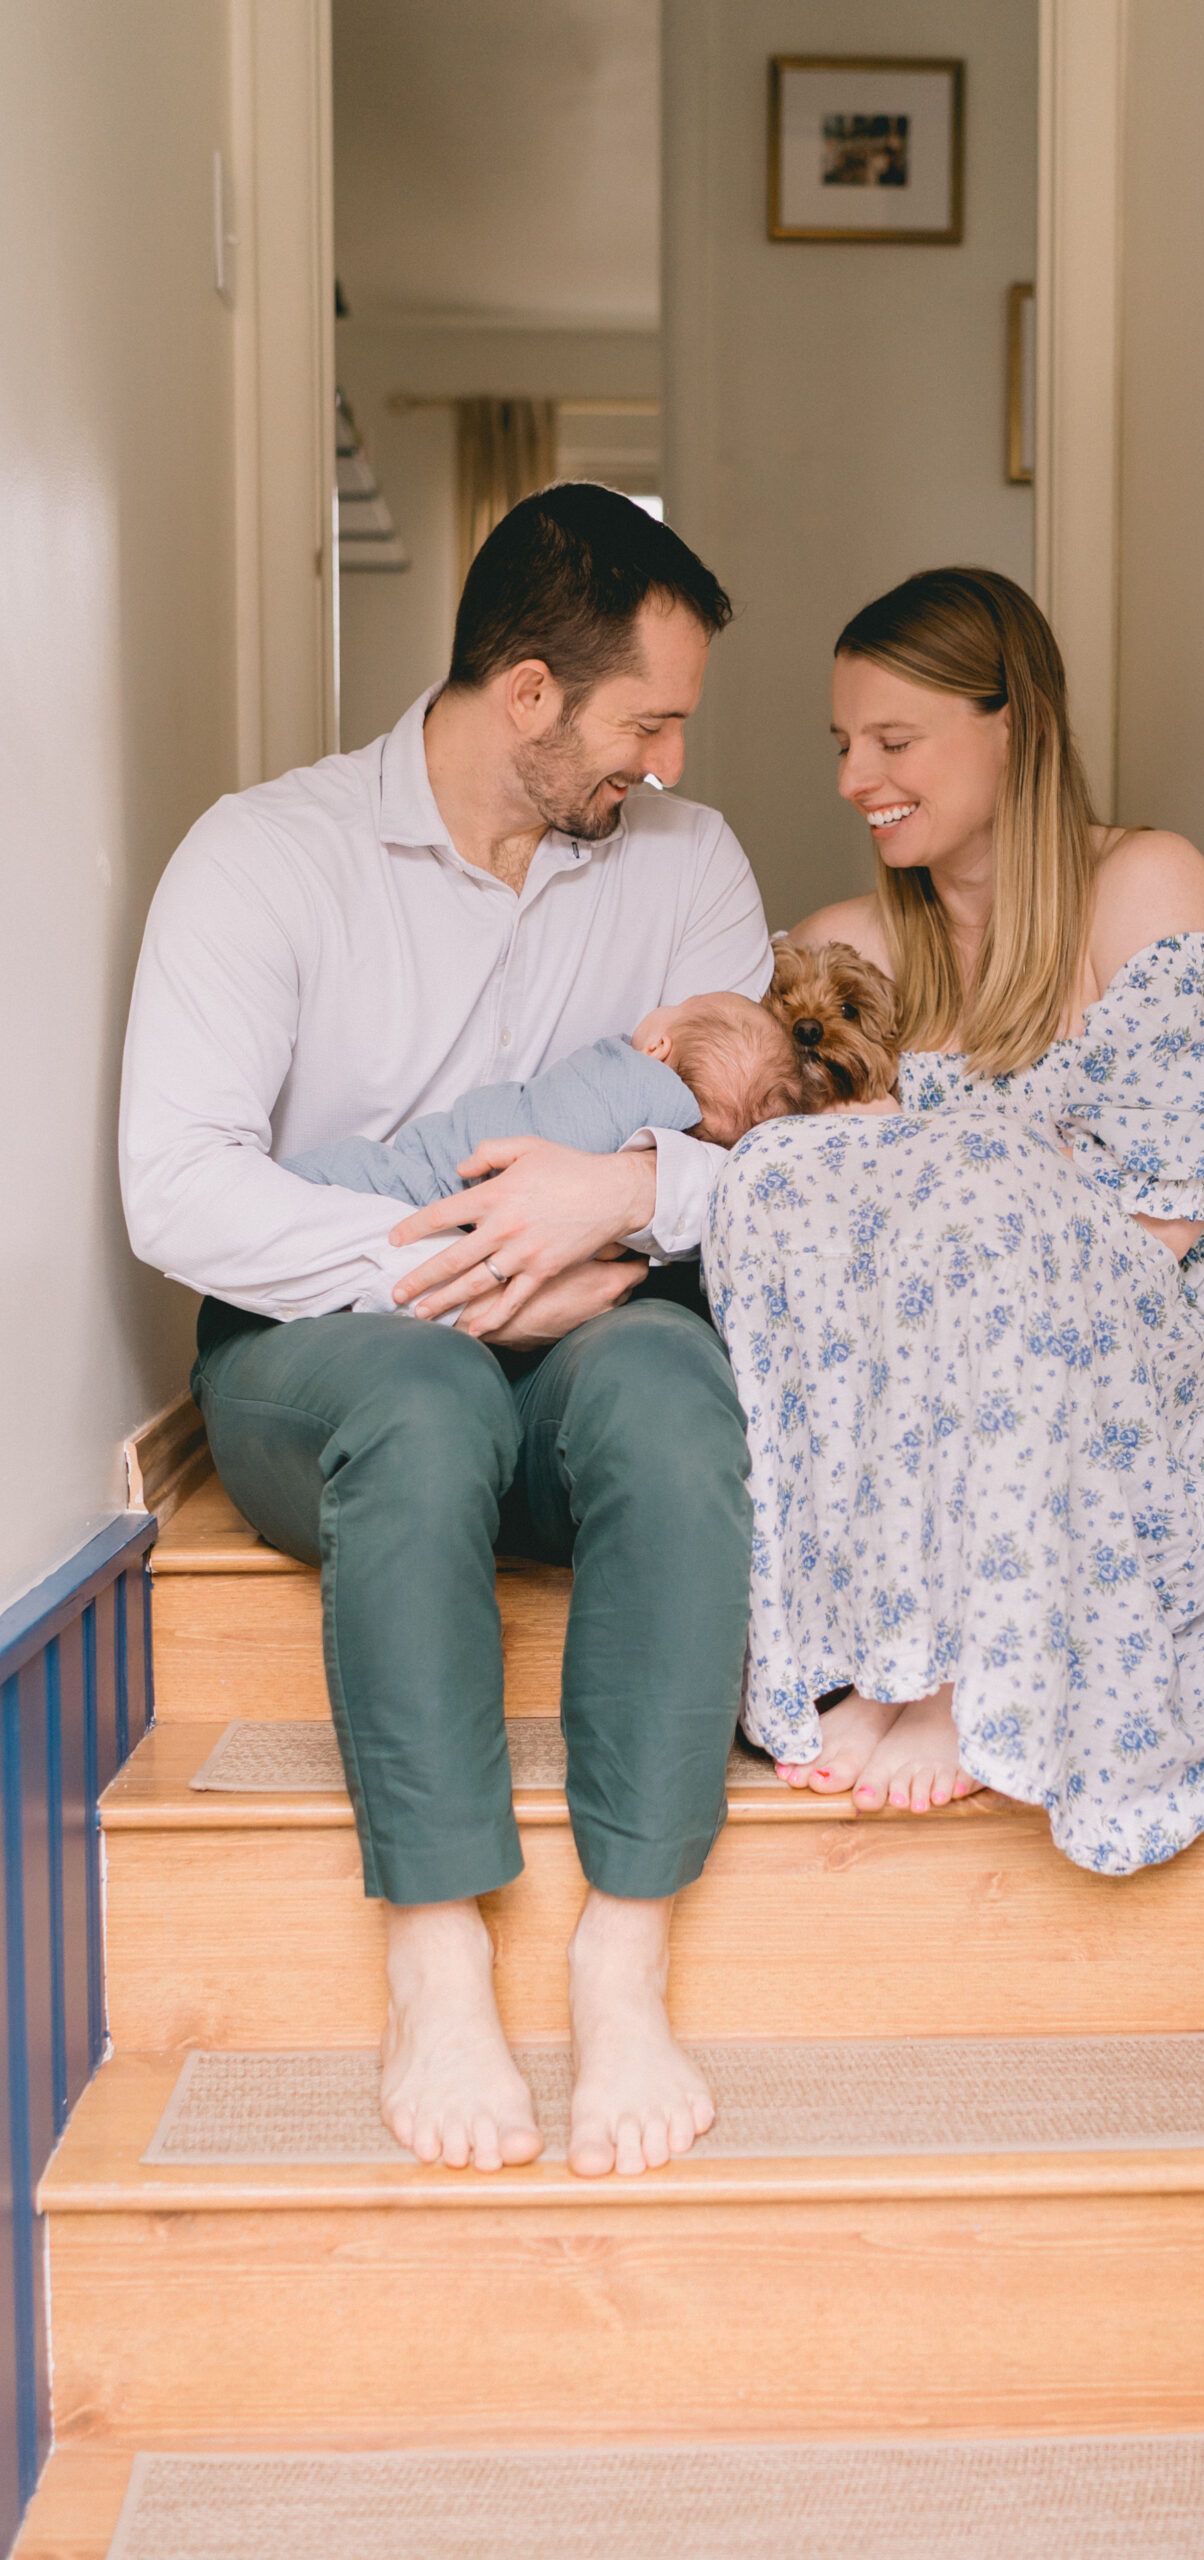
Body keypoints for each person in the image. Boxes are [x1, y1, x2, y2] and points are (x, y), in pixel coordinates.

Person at [120, 483, 772, 2177]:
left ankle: (623, 1950)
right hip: (319, 1356)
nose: (673, 765)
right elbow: (177, 1194)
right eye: (648, 720)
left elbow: (751, 1157)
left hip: (595, 1312)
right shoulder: (266, 856)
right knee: (421, 1396)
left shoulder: (689, 867)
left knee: (674, 1394)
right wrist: (466, 1264)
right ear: (533, 698)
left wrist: (606, 1205)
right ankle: (434, 1944)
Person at [705, 567, 1204, 1871]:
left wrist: (942, 1187)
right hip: (899, 1393)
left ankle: (972, 1678)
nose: (856, 777)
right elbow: (780, 1224)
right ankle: (877, 1659)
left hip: (1095, 1370)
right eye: (842, 743)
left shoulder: (1142, 886)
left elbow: (1152, 1230)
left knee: (972, 1208)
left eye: (892, 741)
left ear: (1012, 726)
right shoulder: (844, 952)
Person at [282, 992, 803, 1230]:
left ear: (658, 1048)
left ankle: (270, 1191)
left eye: (684, 1003)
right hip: (451, 1188)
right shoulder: (667, 1141)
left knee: (334, 1182)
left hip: (437, 1170)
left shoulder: (622, 1076)